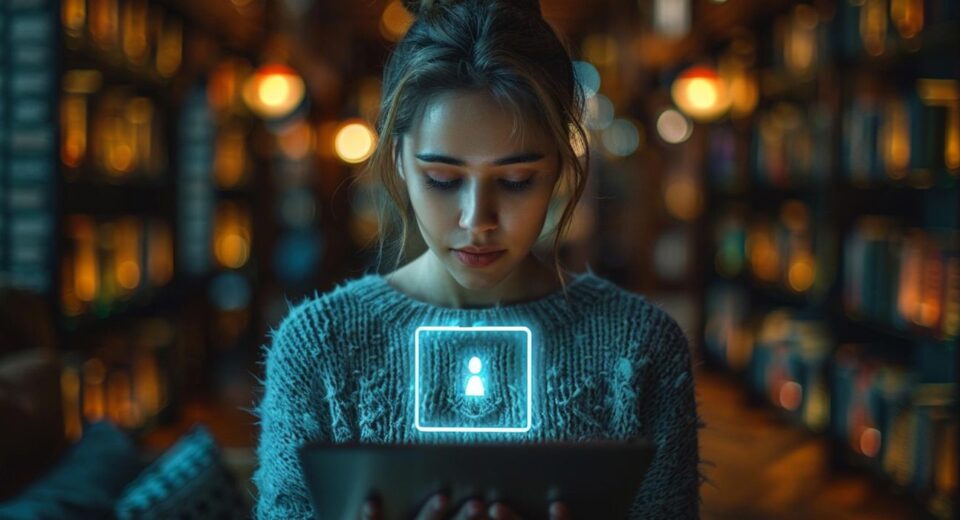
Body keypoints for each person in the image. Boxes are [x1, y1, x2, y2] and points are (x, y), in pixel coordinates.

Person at [251, 0, 707, 518]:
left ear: (560, 165)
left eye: (516, 181)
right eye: (443, 180)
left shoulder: (640, 347)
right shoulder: (319, 347)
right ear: (398, 161)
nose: (477, 219)